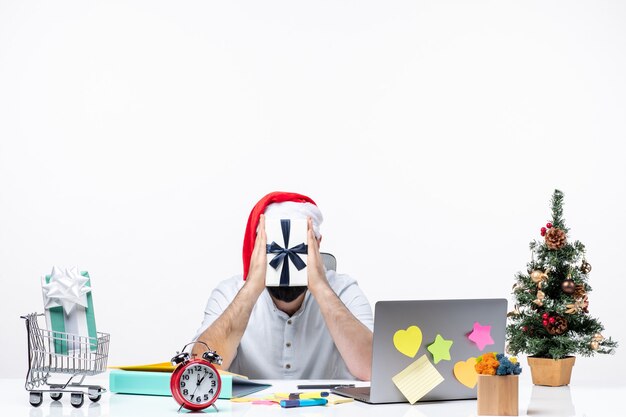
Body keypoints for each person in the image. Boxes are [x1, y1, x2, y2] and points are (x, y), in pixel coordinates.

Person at [192, 191, 373, 380]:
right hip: (249, 409)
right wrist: (252, 287)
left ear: (316, 245)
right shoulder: (229, 293)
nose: (286, 259)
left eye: (298, 249)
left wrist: (320, 287)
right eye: (274, 249)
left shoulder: (343, 290)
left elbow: (372, 369)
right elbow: (199, 370)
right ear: (257, 248)